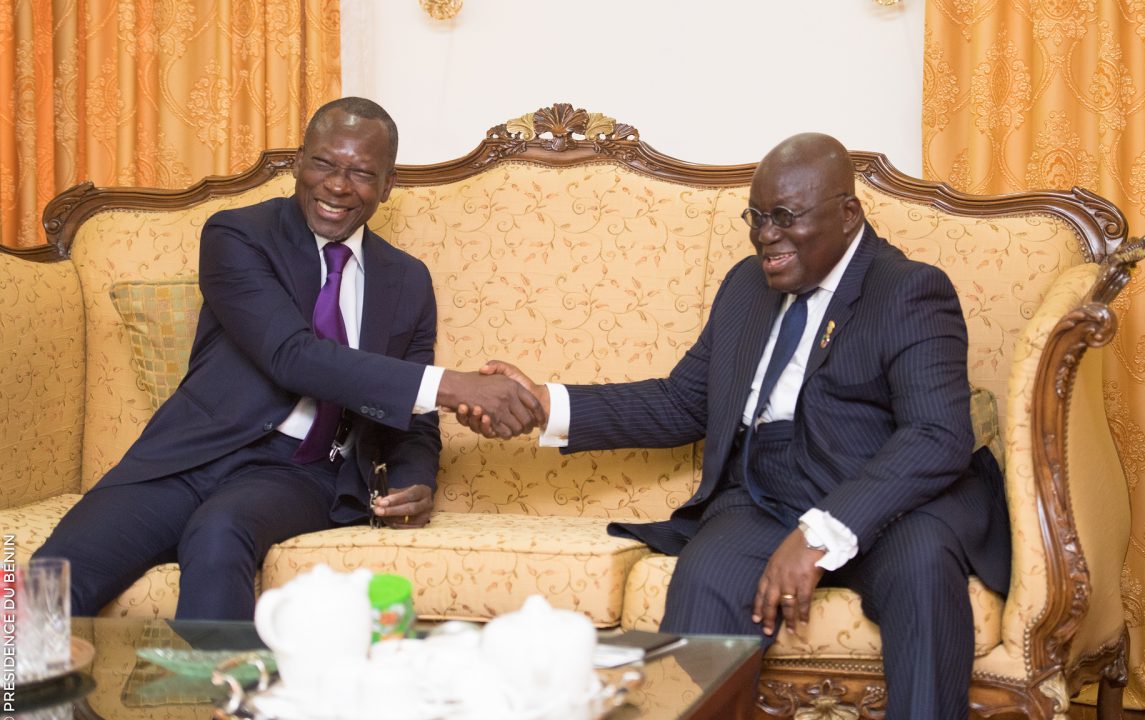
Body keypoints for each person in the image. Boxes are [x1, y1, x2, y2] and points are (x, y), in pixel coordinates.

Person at [458, 133, 1011, 719]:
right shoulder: (747, 286)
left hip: (884, 495)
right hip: (766, 491)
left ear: (848, 214)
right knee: (707, 575)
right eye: (757, 217)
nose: (766, 234)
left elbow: (936, 435)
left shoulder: (908, 289)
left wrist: (819, 535)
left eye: (785, 217)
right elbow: (682, 402)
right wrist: (544, 403)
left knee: (923, 570)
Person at [34, 97, 544, 620]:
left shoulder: (407, 279)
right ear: (300, 162)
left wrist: (415, 480)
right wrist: (452, 384)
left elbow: (414, 416)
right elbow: (291, 355)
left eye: (361, 173)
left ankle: (223, 679)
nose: (337, 185)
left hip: (299, 471)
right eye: (323, 163)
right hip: (190, 456)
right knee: (45, 587)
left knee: (219, 532)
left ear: (388, 185)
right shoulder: (238, 235)